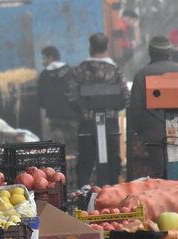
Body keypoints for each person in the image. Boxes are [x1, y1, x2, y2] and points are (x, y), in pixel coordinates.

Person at [67, 33, 130, 186]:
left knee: (86, 162)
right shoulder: (115, 71)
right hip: (110, 123)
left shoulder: (78, 71)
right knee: (113, 161)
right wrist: (112, 109)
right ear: (107, 47)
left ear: (90, 48)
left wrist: (85, 110)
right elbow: (126, 97)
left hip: (87, 123)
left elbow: (70, 97)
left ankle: (84, 195)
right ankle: (113, 193)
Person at [127, 36, 178, 180]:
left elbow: (135, 110)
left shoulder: (142, 75)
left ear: (150, 52)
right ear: (169, 52)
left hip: (153, 135)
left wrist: (141, 132)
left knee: (160, 174)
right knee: (176, 173)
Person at [37, 46, 77, 187]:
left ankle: (61, 178)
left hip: (54, 119)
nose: (43, 62)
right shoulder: (71, 72)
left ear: (50, 57)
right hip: (72, 119)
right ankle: (75, 177)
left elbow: (41, 101)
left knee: (59, 149)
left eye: (44, 58)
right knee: (73, 147)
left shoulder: (44, 76)